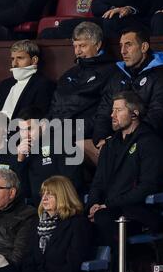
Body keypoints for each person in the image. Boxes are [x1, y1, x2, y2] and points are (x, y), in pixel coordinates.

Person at [88, 91, 163, 246]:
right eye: (112, 110)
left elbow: (147, 186)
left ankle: (118, 268)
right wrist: (93, 205)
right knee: (77, 221)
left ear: (134, 113)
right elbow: (97, 182)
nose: (112, 115)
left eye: (118, 110)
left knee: (103, 218)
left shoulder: (150, 142)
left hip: (137, 212)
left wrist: (108, 205)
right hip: (107, 209)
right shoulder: (109, 145)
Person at [93, 26, 163, 161]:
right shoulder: (118, 75)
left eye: (128, 45)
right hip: (114, 140)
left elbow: (157, 115)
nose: (122, 51)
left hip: (143, 142)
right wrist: (102, 138)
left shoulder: (162, 76)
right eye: (121, 46)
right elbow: (103, 111)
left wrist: (119, 140)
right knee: (70, 149)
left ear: (144, 47)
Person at [47, 21, 116, 166]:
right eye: (75, 46)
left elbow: (103, 113)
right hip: (60, 133)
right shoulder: (68, 75)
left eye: (83, 46)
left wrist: (69, 132)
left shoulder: (111, 72)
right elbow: (54, 106)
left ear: (97, 45)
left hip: (84, 135)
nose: (78, 51)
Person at [21, 176, 94, 272]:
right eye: (43, 194)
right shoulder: (36, 222)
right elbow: (28, 258)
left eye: (50, 194)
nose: (44, 198)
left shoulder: (78, 224)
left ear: (63, 196)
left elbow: (73, 265)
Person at [16, 107, 84, 206]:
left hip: (62, 207)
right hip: (35, 210)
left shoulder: (62, 143)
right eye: (22, 130)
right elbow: (24, 192)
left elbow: (73, 184)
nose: (26, 135)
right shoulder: (24, 152)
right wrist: (20, 161)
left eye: (29, 129)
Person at [0, 40, 55, 120]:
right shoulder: (5, 84)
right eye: (12, 59)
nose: (14, 64)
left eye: (20, 58)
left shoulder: (44, 85)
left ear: (34, 60)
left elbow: (37, 117)